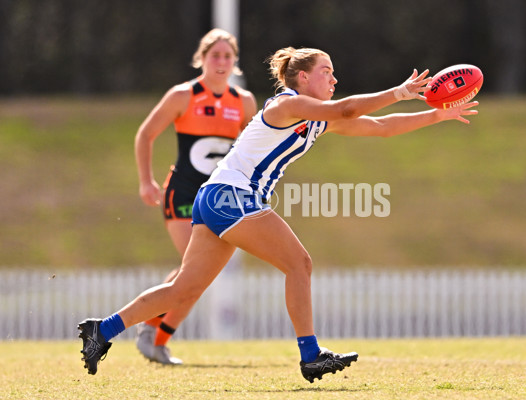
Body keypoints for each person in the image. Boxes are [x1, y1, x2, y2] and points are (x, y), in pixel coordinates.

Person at [78, 46, 478, 381]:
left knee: (184, 290)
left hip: (217, 196)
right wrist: (402, 91)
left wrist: (436, 115)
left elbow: (379, 127)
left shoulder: (316, 120)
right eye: (327, 72)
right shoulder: (287, 105)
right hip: (231, 195)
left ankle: (102, 329)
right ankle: (310, 355)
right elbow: (345, 111)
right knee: (299, 264)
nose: (333, 80)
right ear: (302, 78)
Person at [133, 28, 256, 365]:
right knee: (195, 269)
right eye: (214, 55)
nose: (221, 61)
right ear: (202, 59)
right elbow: (145, 134)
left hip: (218, 198)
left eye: (227, 56)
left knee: (197, 273)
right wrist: (146, 181)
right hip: (183, 193)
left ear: (235, 62)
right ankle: (151, 335)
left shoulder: (244, 102)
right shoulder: (183, 95)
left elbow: (250, 150)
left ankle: (156, 337)